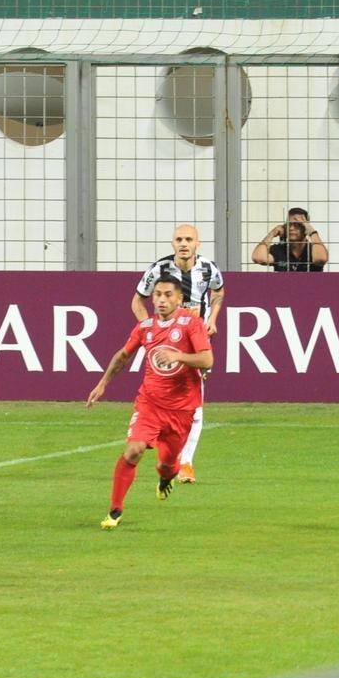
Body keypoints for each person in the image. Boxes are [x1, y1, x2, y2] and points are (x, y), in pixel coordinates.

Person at [87, 276, 213, 530]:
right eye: (157, 295)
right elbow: (123, 356)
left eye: (168, 295)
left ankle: (167, 478)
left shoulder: (191, 323)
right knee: (133, 451)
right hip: (150, 405)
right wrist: (102, 384)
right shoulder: (145, 327)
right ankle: (115, 510)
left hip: (182, 410)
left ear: (179, 299)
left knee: (166, 465)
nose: (161, 300)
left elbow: (207, 360)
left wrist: (178, 356)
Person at [131, 224, 223, 484]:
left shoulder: (208, 269)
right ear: (172, 244)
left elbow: (219, 291)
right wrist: (148, 329)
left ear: (198, 243)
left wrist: (213, 318)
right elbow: (137, 300)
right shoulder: (159, 270)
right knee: (163, 394)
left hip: (193, 342)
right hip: (166, 342)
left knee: (194, 400)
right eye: (179, 239)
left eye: (189, 239)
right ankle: (165, 448)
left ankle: (186, 463)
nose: (184, 244)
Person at [251, 207, 329, 271]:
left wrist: (311, 231)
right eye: (289, 224)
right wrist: (271, 234)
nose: (291, 228)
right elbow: (259, 258)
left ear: (305, 227)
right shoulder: (279, 249)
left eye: (297, 225)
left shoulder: (314, 249)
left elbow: (320, 259)